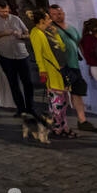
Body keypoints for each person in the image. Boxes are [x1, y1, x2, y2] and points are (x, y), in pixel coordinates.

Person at [49, 4, 97, 131]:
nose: (58, 16)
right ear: (50, 16)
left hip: (74, 65)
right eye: (54, 14)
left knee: (77, 93)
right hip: (61, 67)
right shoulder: (51, 29)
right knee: (61, 95)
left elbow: (80, 44)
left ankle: (82, 120)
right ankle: (60, 123)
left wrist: (89, 62)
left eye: (60, 13)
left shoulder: (71, 28)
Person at [30, 10, 75, 138]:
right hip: (52, 72)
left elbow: (62, 47)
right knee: (57, 102)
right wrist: (43, 71)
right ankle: (57, 127)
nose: (51, 20)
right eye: (48, 18)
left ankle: (63, 125)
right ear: (41, 21)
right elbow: (39, 55)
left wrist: (56, 35)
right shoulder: (36, 33)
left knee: (64, 101)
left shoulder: (49, 31)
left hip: (61, 71)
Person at [0, 1, 34, 118]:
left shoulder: (16, 19)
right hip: (5, 56)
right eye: (2, 12)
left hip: (22, 55)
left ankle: (30, 108)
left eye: (7, 11)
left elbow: (28, 33)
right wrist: (3, 33)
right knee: (13, 83)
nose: (5, 13)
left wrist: (21, 36)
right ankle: (20, 108)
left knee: (28, 82)